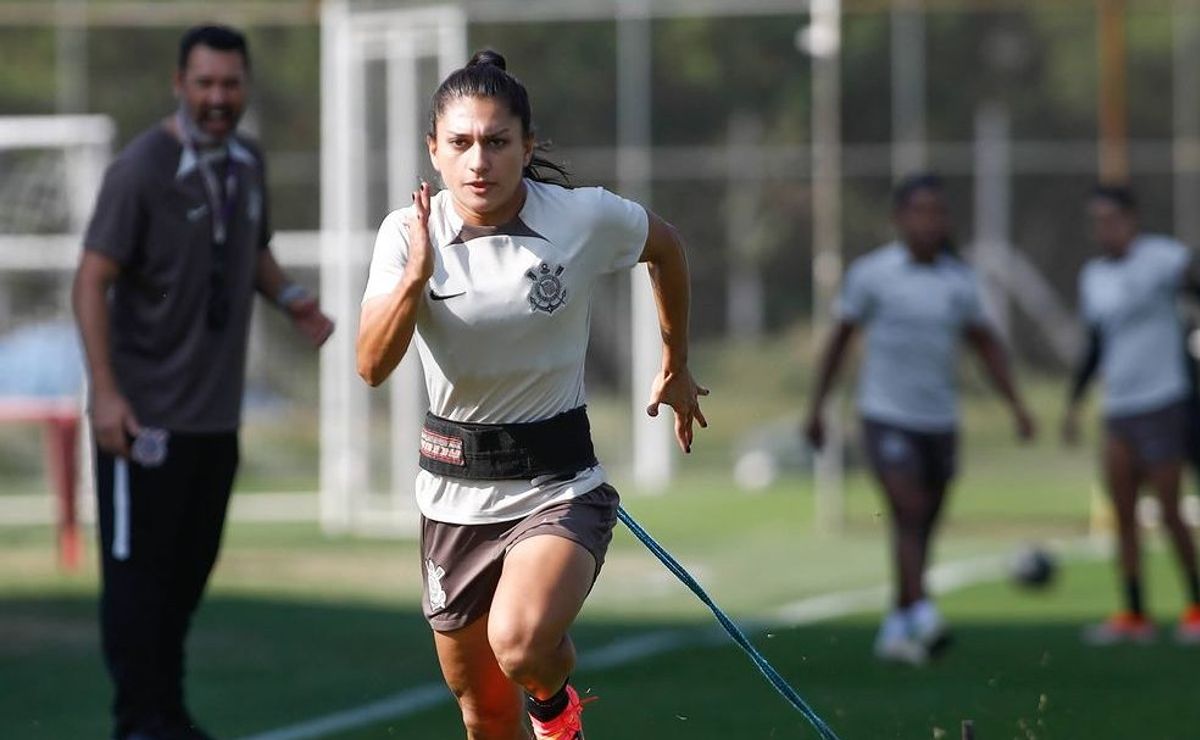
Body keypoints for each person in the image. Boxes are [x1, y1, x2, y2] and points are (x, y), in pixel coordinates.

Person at [356, 50, 707, 740]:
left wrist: (677, 359)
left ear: (528, 145)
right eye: (460, 143)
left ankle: (555, 705)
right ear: (434, 150)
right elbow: (371, 365)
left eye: (496, 141)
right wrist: (413, 280)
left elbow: (666, 248)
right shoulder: (405, 234)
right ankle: (545, 711)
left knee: (520, 646)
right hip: (452, 496)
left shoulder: (582, 218)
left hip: (559, 486)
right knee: (484, 714)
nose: (478, 161)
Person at [72, 25, 334, 740]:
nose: (218, 98)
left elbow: (252, 249)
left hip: (215, 421)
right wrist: (106, 393)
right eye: (205, 83)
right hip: (143, 421)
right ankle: (140, 722)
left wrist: (292, 300)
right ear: (179, 84)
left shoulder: (246, 161)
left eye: (230, 84)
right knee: (138, 584)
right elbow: (91, 281)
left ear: (245, 86)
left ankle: (168, 714)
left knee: (186, 578)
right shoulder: (141, 170)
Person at [804, 173, 1035, 665]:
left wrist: (1017, 405)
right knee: (908, 511)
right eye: (919, 210)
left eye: (938, 211)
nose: (929, 220)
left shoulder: (959, 280)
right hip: (886, 415)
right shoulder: (872, 274)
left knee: (923, 523)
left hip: (940, 420)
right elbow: (840, 340)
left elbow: (986, 344)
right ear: (899, 217)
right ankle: (924, 613)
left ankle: (898, 623)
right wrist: (817, 408)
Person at [1063, 184, 1200, 645]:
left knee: (1169, 510)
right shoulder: (1093, 276)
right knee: (1122, 511)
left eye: (1111, 219)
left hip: (1163, 399)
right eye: (1096, 221)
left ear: (1131, 219)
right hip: (1118, 404)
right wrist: (1074, 402)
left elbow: (1193, 280)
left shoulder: (1161, 257)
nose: (1104, 229)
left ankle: (1195, 607)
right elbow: (1095, 343)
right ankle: (1135, 613)